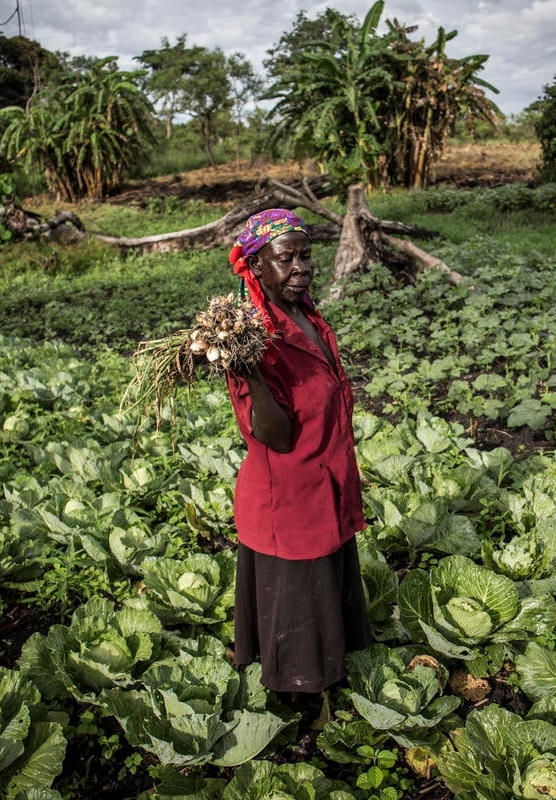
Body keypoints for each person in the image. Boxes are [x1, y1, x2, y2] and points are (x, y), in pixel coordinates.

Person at [225, 208, 372, 710]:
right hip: (287, 502)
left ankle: (324, 685)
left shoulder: (305, 316)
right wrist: (253, 376)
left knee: (323, 598)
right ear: (257, 267)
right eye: (286, 259)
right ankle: (298, 711)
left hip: (322, 485)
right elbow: (276, 437)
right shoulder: (254, 341)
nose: (301, 267)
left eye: (306, 255)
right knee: (296, 617)